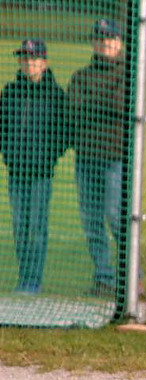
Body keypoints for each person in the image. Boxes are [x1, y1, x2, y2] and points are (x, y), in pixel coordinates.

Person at [0, 39, 68, 295]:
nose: (28, 63)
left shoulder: (55, 94)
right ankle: (24, 277)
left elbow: (64, 131)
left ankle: (34, 280)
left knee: (36, 226)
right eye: (24, 58)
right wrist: (8, 153)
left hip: (41, 173)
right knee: (20, 226)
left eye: (33, 58)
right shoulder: (10, 92)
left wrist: (49, 156)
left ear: (44, 62)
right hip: (16, 171)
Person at [67, 18, 126, 298]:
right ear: (93, 42)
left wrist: (94, 104)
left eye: (110, 38)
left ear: (120, 42)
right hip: (86, 158)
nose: (105, 44)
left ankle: (130, 277)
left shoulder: (128, 75)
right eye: (100, 38)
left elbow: (121, 107)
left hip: (115, 158)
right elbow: (74, 110)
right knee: (91, 222)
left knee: (116, 218)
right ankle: (103, 277)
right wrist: (105, 105)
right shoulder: (81, 76)